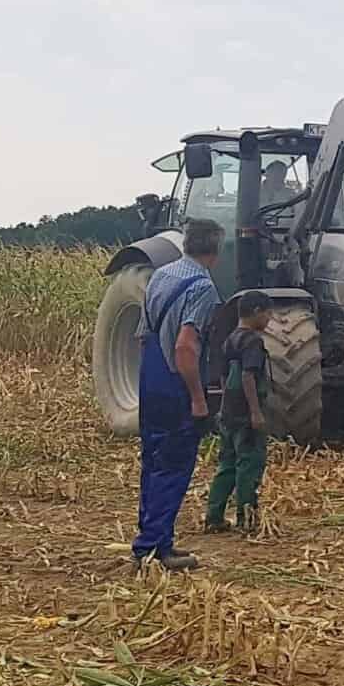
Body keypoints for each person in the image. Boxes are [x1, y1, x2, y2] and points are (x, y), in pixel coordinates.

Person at [132, 219, 222, 571]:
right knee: (173, 467)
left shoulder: (161, 275)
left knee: (153, 462)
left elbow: (143, 335)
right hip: (176, 382)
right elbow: (186, 347)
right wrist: (198, 399)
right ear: (216, 249)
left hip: (151, 377)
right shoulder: (202, 288)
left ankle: (153, 541)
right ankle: (155, 549)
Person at [202, 290, 274, 534]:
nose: (269, 320)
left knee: (227, 465)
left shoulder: (230, 339)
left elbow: (223, 377)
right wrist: (255, 412)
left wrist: (226, 405)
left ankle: (214, 516)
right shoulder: (253, 341)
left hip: (229, 412)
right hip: (245, 415)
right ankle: (247, 518)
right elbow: (248, 376)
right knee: (249, 464)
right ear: (256, 312)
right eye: (267, 314)